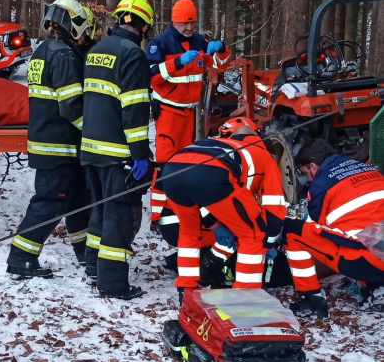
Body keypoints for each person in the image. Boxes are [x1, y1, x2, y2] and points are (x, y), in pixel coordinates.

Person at [6, 0, 93, 279]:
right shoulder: (63, 55)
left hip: (51, 141)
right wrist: (91, 131)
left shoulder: (44, 49)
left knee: (79, 199)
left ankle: (86, 254)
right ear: (74, 23)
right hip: (58, 144)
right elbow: (70, 105)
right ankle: (20, 259)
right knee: (50, 202)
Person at [160, 117, 292, 300]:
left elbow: (205, 199)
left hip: (172, 169)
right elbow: (274, 205)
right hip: (214, 174)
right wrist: (269, 241)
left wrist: (214, 224)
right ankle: (246, 297)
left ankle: (186, 289)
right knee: (253, 235)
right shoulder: (263, 155)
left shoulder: (216, 143)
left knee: (189, 232)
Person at [80, 0, 153, 299]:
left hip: (90, 148)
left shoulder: (97, 50)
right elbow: (133, 110)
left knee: (99, 210)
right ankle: (112, 283)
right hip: (117, 153)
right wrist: (140, 155)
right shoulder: (133, 55)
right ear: (144, 27)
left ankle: (94, 266)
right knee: (118, 216)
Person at [146, 0, 231, 224]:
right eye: (185, 23)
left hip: (190, 113)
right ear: (174, 21)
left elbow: (223, 64)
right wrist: (178, 63)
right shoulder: (160, 44)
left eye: (192, 23)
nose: (190, 28)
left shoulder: (199, 41)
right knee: (165, 164)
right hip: (168, 112)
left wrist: (221, 48)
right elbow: (151, 76)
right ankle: (157, 215)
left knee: (185, 163)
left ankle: (180, 210)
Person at [283, 138, 384, 317]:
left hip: (373, 260)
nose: (307, 178)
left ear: (314, 167)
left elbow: (318, 227)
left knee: (293, 231)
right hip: (379, 246)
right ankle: (377, 289)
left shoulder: (320, 186)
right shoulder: (368, 169)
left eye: (306, 172)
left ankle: (312, 300)